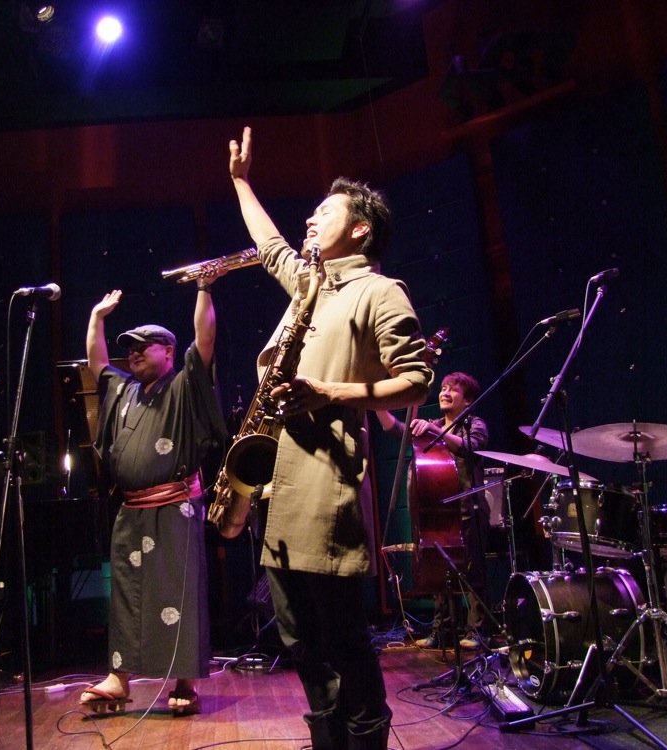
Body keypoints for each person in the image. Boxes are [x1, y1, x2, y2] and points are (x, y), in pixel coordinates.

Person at [228, 126, 434, 750]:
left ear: (361, 229)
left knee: (342, 636)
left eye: (325, 212)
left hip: (325, 486)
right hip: (279, 487)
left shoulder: (379, 291)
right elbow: (269, 245)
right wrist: (240, 181)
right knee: (299, 640)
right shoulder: (308, 284)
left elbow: (417, 381)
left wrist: (329, 392)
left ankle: (366, 738)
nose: (311, 220)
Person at [78, 276, 227, 716]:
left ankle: (184, 681)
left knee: (177, 593)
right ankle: (118, 679)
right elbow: (97, 362)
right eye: (131, 347)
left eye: (146, 345)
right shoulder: (123, 390)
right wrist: (96, 317)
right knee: (126, 594)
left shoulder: (183, 386)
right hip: (131, 512)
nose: (135, 352)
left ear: (169, 352)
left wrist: (204, 288)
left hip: (175, 508)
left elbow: (205, 339)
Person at [376, 372, 490, 651]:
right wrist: (377, 406)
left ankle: (479, 631)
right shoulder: (434, 425)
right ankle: (443, 630)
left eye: (453, 389)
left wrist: (434, 431)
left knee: (472, 572)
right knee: (440, 572)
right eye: (443, 388)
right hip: (441, 511)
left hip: (469, 508)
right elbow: (397, 431)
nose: (445, 393)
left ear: (468, 400)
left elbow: (470, 447)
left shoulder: (474, 424)